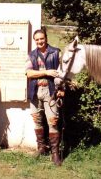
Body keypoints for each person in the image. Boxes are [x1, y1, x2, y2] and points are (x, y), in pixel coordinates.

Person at [26, 28, 64, 166]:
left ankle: (55, 153)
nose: (40, 41)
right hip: (35, 91)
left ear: (46, 38)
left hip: (51, 91)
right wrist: (47, 72)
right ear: (34, 41)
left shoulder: (56, 52)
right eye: (37, 40)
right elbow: (29, 73)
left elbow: (61, 73)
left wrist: (62, 89)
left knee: (53, 121)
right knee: (37, 120)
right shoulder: (31, 55)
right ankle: (42, 148)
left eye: (42, 38)